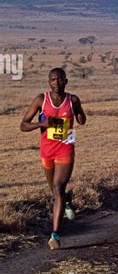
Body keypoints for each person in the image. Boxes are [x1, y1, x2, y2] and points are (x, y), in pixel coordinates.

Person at [20, 68, 86, 250]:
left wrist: (79, 112)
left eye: (59, 79)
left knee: (57, 188)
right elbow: (23, 125)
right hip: (47, 151)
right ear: (49, 82)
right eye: (52, 79)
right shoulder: (41, 100)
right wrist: (42, 123)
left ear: (66, 81)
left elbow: (82, 119)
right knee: (55, 192)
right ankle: (67, 200)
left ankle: (55, 235)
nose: (55, 82)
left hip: (65, 148)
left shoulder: (72, 100)